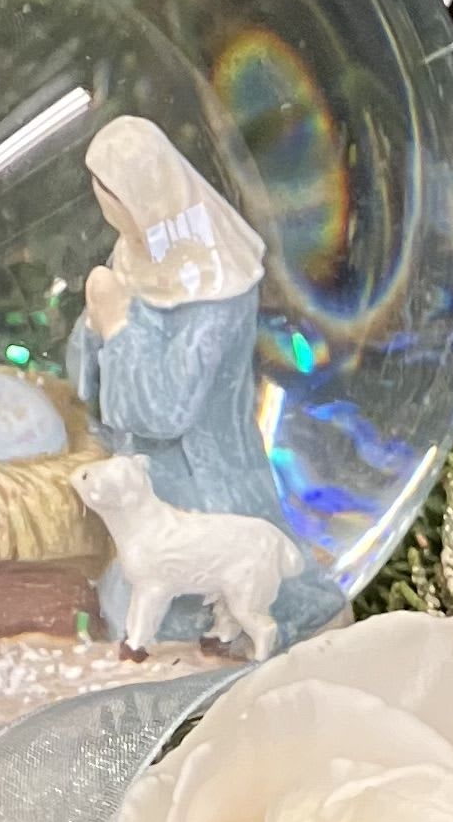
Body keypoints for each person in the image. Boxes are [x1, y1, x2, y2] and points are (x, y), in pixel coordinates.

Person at [66, 116, 332, 643]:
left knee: (199, 592)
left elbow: (167, 409)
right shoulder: (134, 253)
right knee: (133, 591)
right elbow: (87, 380)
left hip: (203, 482)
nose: (101, 204)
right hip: (142, 479)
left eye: (107, 192)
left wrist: (116, 324)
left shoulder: (214, 282)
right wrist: (97, 325)